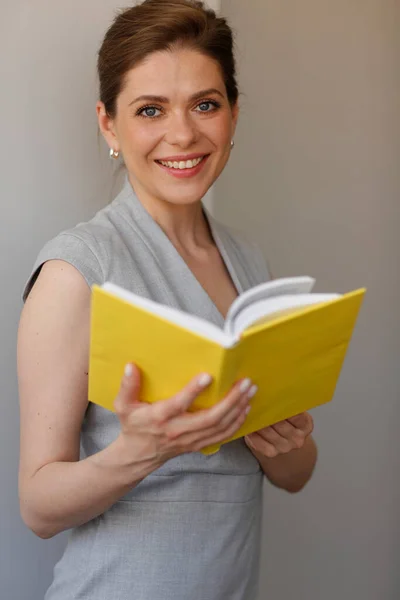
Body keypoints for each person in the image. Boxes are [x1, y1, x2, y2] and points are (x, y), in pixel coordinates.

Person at [17, 1, 317, 598]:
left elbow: (293, 476)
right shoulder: (78, 270)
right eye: (150, 110)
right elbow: (38, 507)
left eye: (205, 104)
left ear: (233, 112)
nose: (183, 134)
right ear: (108, 124)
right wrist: (139, 452)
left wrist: (286, 442)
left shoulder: (249, 264)